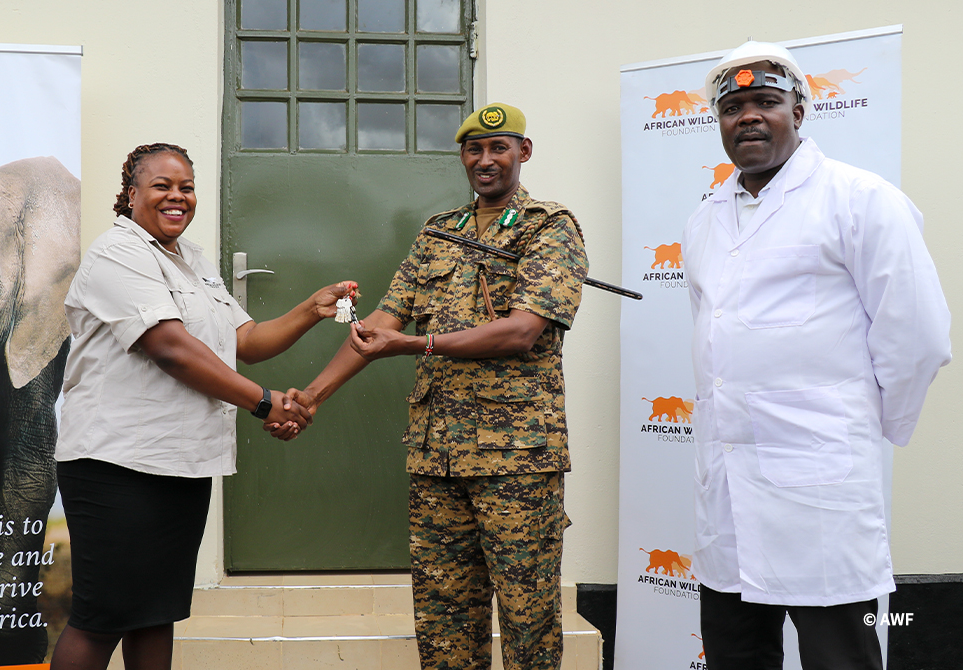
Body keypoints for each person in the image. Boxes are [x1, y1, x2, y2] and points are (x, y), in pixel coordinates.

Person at [267, 104, 589, 670]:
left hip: (516, 459)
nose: (485, 160)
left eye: (499, 148)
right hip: (436, 459)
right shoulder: (442, 232)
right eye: (474, 149)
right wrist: (315, 395)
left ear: (524, 151)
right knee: (444, 621)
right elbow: (383, 325)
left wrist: (421, 346)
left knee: (527, 620)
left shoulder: (549, 225)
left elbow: (521, 330)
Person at [681, 42, 951, 669]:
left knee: (839, 657)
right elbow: (713, 333)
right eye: (733, 106)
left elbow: (918, 335)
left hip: (821, 484)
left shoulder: (859, 199)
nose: (748, 116)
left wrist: (864, 424)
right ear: (718, 122)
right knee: (736, 653)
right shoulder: (704, 220)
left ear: (799, 112)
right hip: (726, 483)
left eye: (766, 102)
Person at [50, 142, 357, 670]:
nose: (177, 197)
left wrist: (311, 308)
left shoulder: (191, 261)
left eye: (186, 187)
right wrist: (264, 402)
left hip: (180, 462)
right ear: (131, 194)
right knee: (104, 617)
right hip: (115, 463)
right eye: (161, 186)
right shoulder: (117, 254)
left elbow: (247, 340)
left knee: (156, 611)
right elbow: (170, 348)